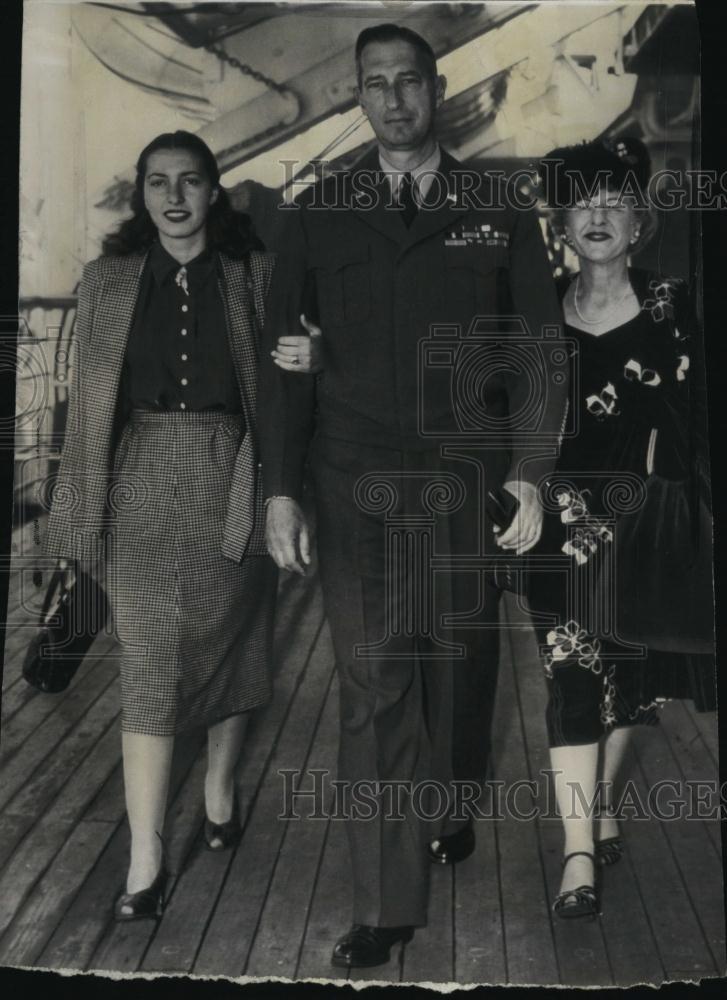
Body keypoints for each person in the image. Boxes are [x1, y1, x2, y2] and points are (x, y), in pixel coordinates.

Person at [258, 24, 566, 967]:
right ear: (357, 96)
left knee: (461, 673)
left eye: (408, 83)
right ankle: (389, 903)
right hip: (354, 484)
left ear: (437, 90)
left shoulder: (498, 205)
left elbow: (541, 350)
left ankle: (452, 795)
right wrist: (279, 490)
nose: (393, 100)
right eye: (374, 85)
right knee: (372, 683)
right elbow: (282, 366)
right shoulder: (315, 211)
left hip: (467, 481)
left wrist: (527, 471)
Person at [44, 131, 279, 920]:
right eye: (156, 183)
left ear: (216, 191)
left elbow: (285, 392)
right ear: (142, 196)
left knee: (233, 639)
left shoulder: (256, 275)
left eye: (189, 181)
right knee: (147, 657)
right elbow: (81, 410)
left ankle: (218, 783)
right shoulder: (106, 281)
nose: (173, 196)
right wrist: (73, 524)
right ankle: (144, 852)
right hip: (136, 473)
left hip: (232, 471)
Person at [524, 137, 715, 918]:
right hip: (557, 525)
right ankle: (576, 853)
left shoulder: (679, 306)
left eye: (613, 200)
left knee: (632, 685)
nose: (596, 215)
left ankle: (602, 801)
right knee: (570, 675)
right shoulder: (532, 313)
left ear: (638, 219)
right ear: (560, 221)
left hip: (650, 524)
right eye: (581, 201)